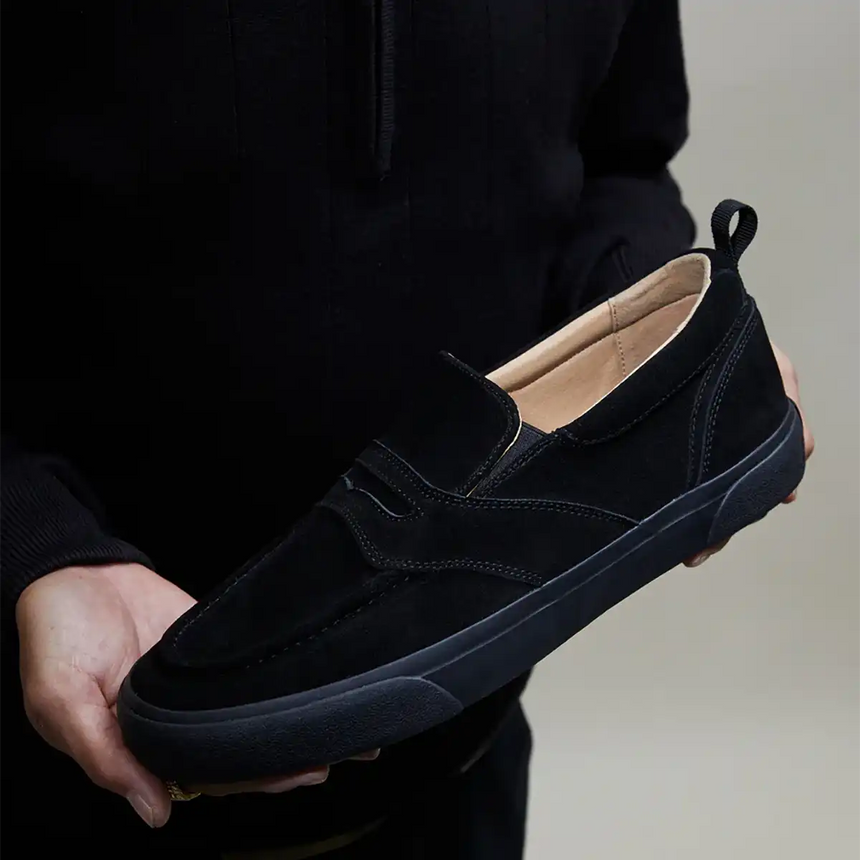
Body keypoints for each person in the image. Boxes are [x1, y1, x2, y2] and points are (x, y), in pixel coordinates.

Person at [3, 0, 813, 856]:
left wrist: (671, 358)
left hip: (461, 757)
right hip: (63, 746)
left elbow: (620, 158)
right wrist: (34, 537)